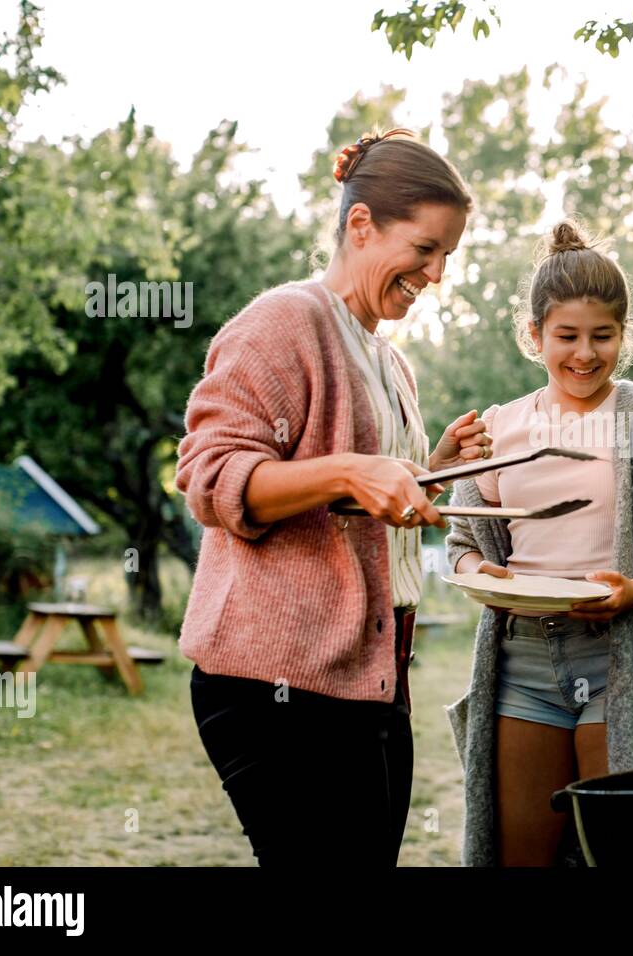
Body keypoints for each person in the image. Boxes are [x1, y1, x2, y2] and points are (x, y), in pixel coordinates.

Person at [175, 129, 492, 866]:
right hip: (274, 688)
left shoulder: (390, 362)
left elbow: (370, 503)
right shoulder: (285, 322)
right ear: (360, 225)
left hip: (369, 681)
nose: (437, 273)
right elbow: (210, 476)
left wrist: (432, 466)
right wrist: (351, 471)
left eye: (448, 255)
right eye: (424, 248)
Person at [444, 219, 633, 866]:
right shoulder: (499, 430)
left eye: (602, 336)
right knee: (524, 855)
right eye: (566, 336)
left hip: (621, 659)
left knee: (623, 850)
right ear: (534, 335)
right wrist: (485, 576)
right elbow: (463, 543)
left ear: (624, 337)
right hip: (522, 658)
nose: (584, 354)